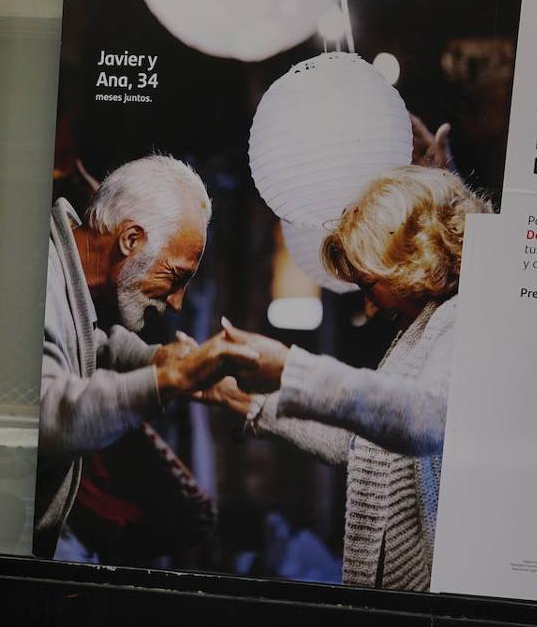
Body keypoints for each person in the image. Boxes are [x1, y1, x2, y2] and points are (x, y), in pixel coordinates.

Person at [197, 166, 491, 591]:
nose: (368, 305)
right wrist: (246, 399)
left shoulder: (461, 316)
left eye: (370, 284)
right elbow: (361, 441)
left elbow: (426, 419)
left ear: (415, 261)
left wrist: (291, 368)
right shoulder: (423, 326)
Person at [37, 153, 257, 558]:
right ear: (130, 239)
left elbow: (89, 346)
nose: (176, 303)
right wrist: (170, 380)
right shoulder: (38, 279)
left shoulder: (67, 283)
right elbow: (43, 418)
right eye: (176, 277)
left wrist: (160, 361)